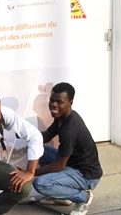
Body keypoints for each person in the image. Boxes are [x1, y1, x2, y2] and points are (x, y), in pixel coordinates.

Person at [33, 83, 102, 215]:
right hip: (72, 164)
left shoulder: (69, 129)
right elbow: (47, 136)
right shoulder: (63, 116)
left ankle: (83, 197)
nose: (53, 105)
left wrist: (31, 172)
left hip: (86, 175)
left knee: (41, 183)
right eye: (52, 100)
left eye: (59, 102)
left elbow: (59, 165)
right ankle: (63, 196)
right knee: (37, 149)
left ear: (70, 102)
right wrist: (27, 135)